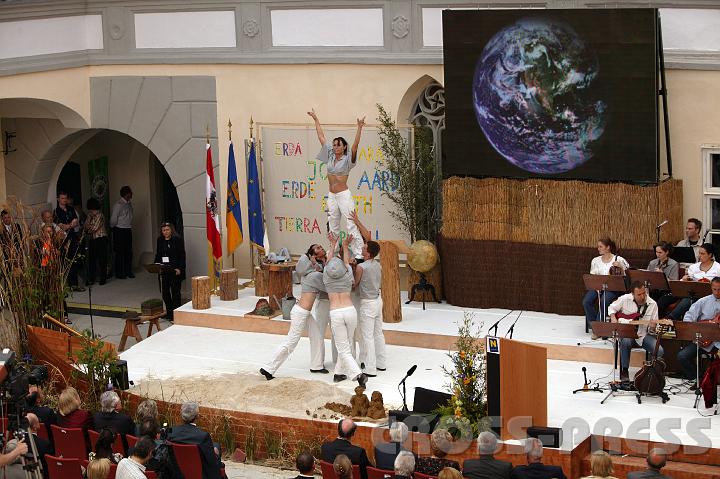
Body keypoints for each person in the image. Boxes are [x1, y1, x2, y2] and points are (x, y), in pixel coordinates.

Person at [260, 242, 330, 380]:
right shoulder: (314, 276)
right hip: (301, 313)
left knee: (316, 336)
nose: (321, 248)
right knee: (291, 342)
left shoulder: (310, 274)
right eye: (317, 248)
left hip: (304, 312)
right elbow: (330, 285)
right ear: (312, 258)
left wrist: (322, 262)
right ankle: (268, 368)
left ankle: (317, 366)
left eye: (321, 247)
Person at [307, 108, 366, 259]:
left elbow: (355, 146)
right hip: (332, 195)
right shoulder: (330, 155)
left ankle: (359, 253)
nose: (335, 147)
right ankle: (333, 250)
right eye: (334, 145)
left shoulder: (348, 159)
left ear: (344, 146)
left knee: (351, 222)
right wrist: (316, 119)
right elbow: (321, 137)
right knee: (332, 222)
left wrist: (359, 127)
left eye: (338, 145)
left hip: (343, 195)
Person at [324, 234, 367, 387]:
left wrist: (332, 244)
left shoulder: (326, 274)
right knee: (347, 344)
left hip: (335, 312)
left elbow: (328, 261)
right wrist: (344, 245)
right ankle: (338, 373)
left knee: (343, 348)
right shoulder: (347, 271)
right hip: (350, 310)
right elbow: (347, 261)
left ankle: (357, 375)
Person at [608, 282, 670, 382]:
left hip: (643, 335)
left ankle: (650, 373)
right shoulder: (624, 299)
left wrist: (653, 328)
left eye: (644, 293)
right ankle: (624, 371)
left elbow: (652, 331)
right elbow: (611, 307)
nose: (642, 297)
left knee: (659, 350)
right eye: (639, 294)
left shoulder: (652, 304)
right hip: (627, 334)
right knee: (626, 341)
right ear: (633, 294)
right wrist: (613, 318)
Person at [676, 277, 720, 383]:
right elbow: (688, 317)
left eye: (719, 289)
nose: (717, 292)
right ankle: (700, 378)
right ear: (711, 288)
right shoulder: (703, 301)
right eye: (714, 289)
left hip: (718, 341)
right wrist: (694, 335)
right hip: (704, 339)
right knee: (682, 356)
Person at [582, 237, 629, 335]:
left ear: (608, 247)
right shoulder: (595, 260)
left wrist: (621, 267)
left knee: (604, 300)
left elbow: (628, 273)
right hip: (598, 286)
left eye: (601, 247)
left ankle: (598, 330)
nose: (598, 248)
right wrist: (596, 286)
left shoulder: (619, 259)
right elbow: (593, 276)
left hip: (613, 287)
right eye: (598, 246)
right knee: (586, 301)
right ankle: (595, 325)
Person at [354, 240, 386, 377]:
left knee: (367, 336)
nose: (362, 248)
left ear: (368, 252)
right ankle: (381, 363)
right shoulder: (378, 265)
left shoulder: (361, 267)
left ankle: (370, 368)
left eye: (364, 247)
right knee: (378, 333)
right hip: (378, 300)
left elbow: (355, 284)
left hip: (367, 303)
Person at [665, 243, 720, 321]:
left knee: (688, 301)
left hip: (712, 294)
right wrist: (684, 280)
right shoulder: (694, 267)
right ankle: (670, 319)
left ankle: (671, 319)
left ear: (710, 255)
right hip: (694, 294)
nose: (699, 256)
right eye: (699, 253)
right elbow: (684, 283)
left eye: (702, 254)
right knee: (686, 299)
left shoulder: (718, 267)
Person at [167, 402, 222, 479]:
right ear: (197, 416)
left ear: (181, 415)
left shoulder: (171, 432)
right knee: (216, 446)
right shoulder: (203, 436)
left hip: (177, 474)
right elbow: (211, 462)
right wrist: (215, 454)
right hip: (200, 475)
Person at [154, 222, 186, 321]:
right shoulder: (160, 240)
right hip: (165, 270)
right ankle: (169, 313)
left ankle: (176, 314)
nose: (165, 232)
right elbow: (158, 254)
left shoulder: (177, 239)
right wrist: (156, 265)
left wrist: (180, 268)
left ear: (171, 230)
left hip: (175, 270)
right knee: (165, 293)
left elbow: (182, 255)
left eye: (167, 230)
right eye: (163, 230)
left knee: (175, 293)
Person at [54, 191, 84, 291]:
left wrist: (68, 225)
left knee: (73, 261)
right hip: (63, 239)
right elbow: (60, 226)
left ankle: (74, 284)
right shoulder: (56, 211)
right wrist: (70, 225)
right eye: (62, 198)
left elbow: (76, 222)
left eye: (65, 198)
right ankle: (66, 285)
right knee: (64, 261)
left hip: (72, 237)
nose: (64, 200)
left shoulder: (71, 209)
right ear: (58, 199)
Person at [111, 185, 134, 279]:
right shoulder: (118, 205)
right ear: (126, 194)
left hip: (128, 228)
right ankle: (120, 273)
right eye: (130, 193)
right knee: (120, 252)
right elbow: (113, 218)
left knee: (129, 251)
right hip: (119, 229)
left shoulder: (129, 203)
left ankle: (128, 271)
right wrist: (113, 227)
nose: (132, 194)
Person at [85, 197, 108, 285]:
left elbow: (94, 228)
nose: (91, 211)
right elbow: (85, 226)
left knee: (102, 259)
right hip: (93, 239)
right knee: (92, 259)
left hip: (101, 238)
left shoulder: (100, 215)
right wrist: (88, 226)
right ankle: (92, 278)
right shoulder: (89, 215)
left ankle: (103, 278)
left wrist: (88, 230)